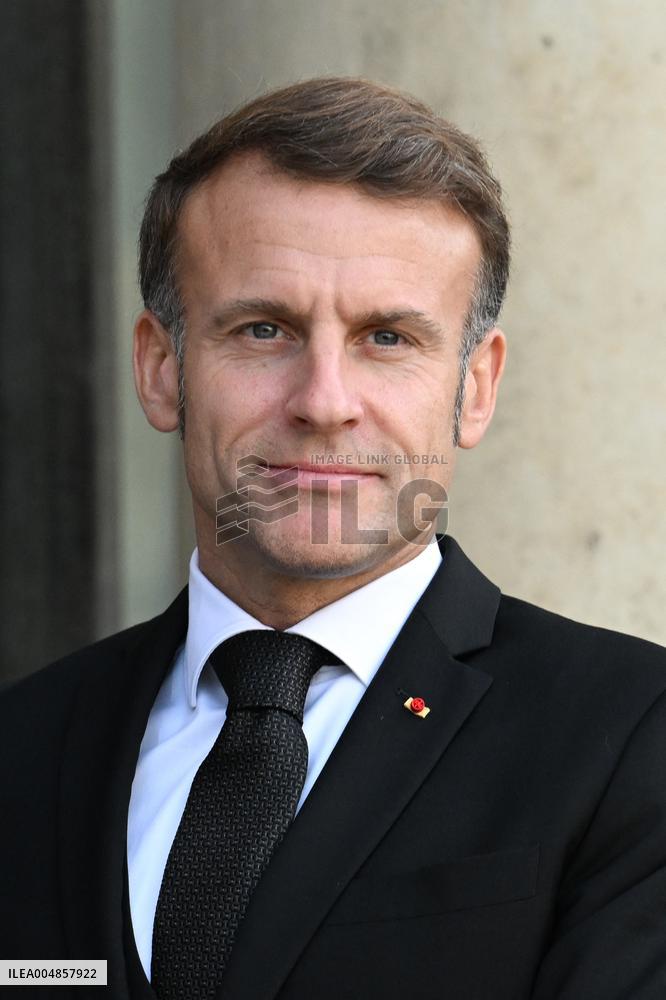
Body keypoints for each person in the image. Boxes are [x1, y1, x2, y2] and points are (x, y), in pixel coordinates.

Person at [1, 77, 665, 1000]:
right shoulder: (23, 745)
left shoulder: (632, 735)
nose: (323, 401)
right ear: (159, 368)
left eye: (386, 338)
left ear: (474, 388)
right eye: (263, 329)